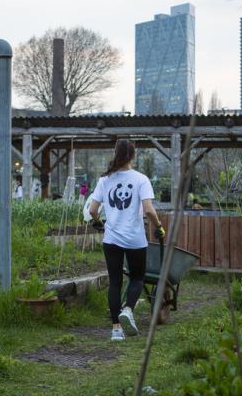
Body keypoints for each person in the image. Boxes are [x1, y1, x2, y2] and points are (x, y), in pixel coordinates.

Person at [89, 139, 165, 342]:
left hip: (111, 239)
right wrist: (158, 226)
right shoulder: (141, 179)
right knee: (137, 278)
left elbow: (92, 210)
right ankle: (128, 309)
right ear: (133, 155)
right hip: (135, 239)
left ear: (115, 153)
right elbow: (149, 210)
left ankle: (115, 330)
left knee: (115, 283)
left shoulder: (105, 180)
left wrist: (100, 223)